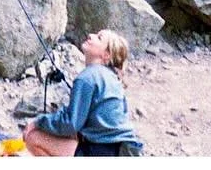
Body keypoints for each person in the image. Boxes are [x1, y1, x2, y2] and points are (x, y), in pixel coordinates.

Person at [22, 29, 144, 157]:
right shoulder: (112, 78)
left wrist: (37, 122)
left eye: (99, 38)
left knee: (33, 137)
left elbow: (71, 123)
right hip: (123, 149)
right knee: (72, 136)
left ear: (107, 55)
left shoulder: (87, 78)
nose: (91, 35)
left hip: (103, 151)